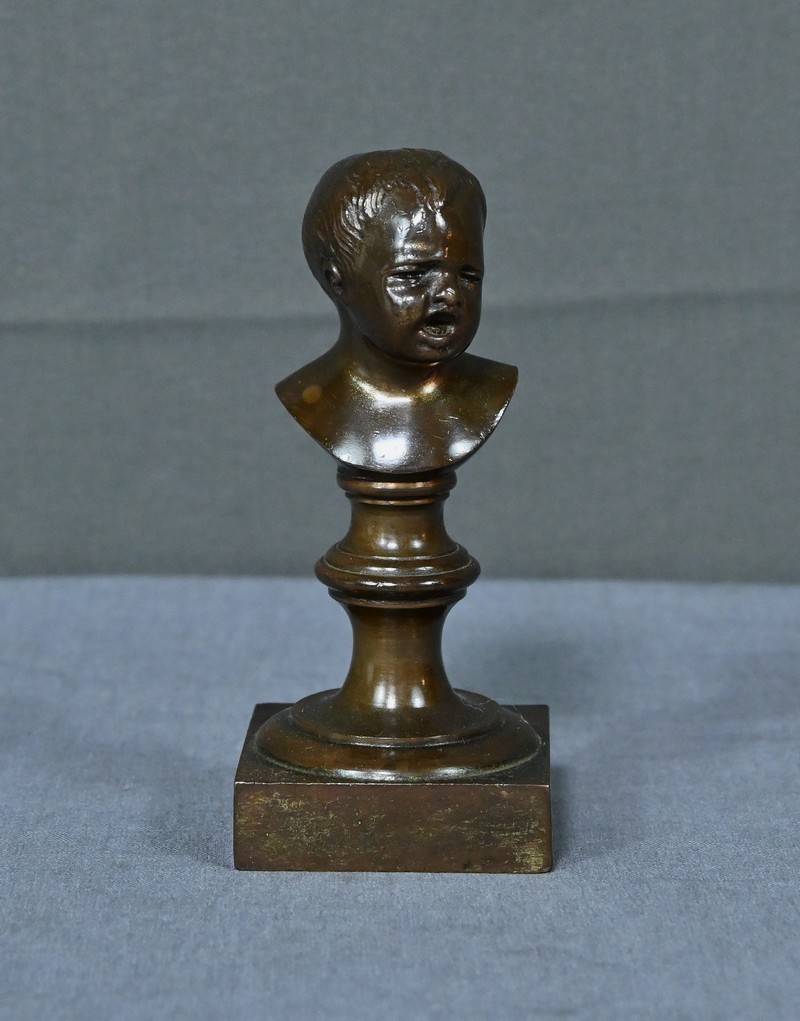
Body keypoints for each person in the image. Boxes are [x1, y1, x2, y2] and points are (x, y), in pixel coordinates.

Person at [276, 148, 517, 474]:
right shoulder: (310, 397)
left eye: (469, 276)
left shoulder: (491, 388)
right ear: (337, 280)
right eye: (413, 276)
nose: (450, 294)